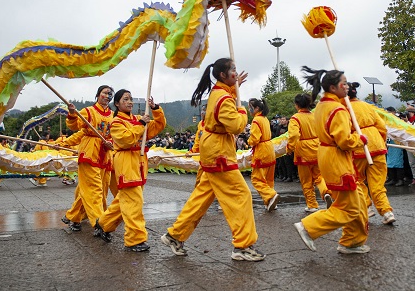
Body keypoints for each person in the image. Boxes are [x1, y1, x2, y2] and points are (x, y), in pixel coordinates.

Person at [160, 58, 265, 262]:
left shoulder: (220, 94)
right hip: (219, 153)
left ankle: (175, 235)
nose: (236, 72)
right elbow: (236, 125)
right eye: (232, 70)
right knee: (241, 195)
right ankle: (243, 246)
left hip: (214, 149)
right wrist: (242, 109)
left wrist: (235, 90)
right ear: (223, 76)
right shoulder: (224, 98)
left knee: (202, 197)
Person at [294, 67, 369, 255]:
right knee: (350, 208)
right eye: (344, 83)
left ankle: (352, 241)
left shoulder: (322, 105)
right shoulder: (336, 108)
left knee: (357, 200)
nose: (347, 86)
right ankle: (309, 227)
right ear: (333, 88)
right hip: (336, 158)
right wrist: (360, 140)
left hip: (328, 155)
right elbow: (343, 140)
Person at [94, 89, 166, 251]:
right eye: (125, 99)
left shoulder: (139, 119)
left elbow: (159, 126)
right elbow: (126, 140)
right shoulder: (117, 122)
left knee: (124, 200)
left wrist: (155, 109)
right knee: (133, 202)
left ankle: (103, 224)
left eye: (131, 99)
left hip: (139, 163)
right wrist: (141, 125)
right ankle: (134, 239)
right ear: (117, 104)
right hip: (126, 162)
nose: (130, 102)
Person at [61, 85, 115, 232]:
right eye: (105, 93)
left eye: (110, 94)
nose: (107, 95)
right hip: (90, 154)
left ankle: (73, 216)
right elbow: (75, 127)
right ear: (98, 95)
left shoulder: (113, 115)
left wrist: (111, 142)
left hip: (105, 156)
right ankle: (100, 223)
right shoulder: (88, 111)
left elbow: (114, 135)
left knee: (100, 189)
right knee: (94, 190)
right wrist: (72, 114)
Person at [347, 82, 394, 225]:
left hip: (358, 146)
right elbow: (382, 127)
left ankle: (366, 207)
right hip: (376, 145)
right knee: (378, 183)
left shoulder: (344, 109)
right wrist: (382, 141)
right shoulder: (368, 106)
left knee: (357, 180)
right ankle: (386, 211)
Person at [287, 93, 332, 213]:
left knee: (306, 180)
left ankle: (312, 204)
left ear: (297, 105)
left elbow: (294, 135)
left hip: (303, 150)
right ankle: (325, 192)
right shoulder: (315, 116)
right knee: (319, 176)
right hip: (317, 148)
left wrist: (290, 148)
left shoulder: (295, 118)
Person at [247, 98, 280, 212]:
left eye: (250, 107)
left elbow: (255, 139)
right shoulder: (264, 118)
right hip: (269, 149)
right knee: (269, 179)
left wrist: (249, 141)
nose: (249, 109)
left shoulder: (256, 120)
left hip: (261, 151)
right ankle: (270, 202)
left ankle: (270, 195)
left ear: (257, 108)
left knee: (257, 179)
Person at [384, 107, 405, 187]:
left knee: (398, 161)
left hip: (397, 142)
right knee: (390, 161)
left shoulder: (398, 121)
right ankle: (392, 178)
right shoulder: (386, 121)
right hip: (389, 143)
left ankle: (400, 179)